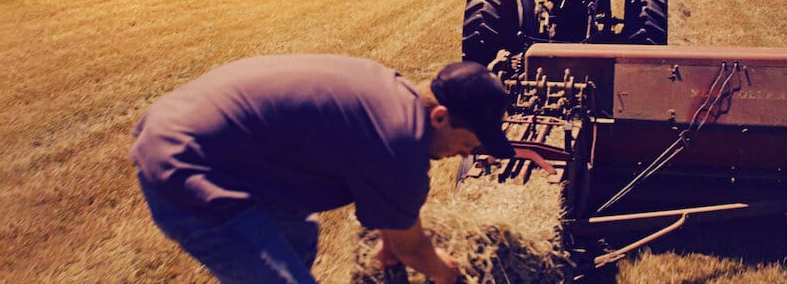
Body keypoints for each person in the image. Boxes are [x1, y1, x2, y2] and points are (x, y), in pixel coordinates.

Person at [130, 54, 517, 284]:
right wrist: (447, 272)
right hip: (188, 162)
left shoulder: (393, 97)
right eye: (468, 142)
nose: (465, 152)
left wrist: (391, 236)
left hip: (193, 129)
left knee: (299, 237)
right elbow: (414, 247)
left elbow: (379, 183)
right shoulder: (401, 142)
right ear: (440, 117)